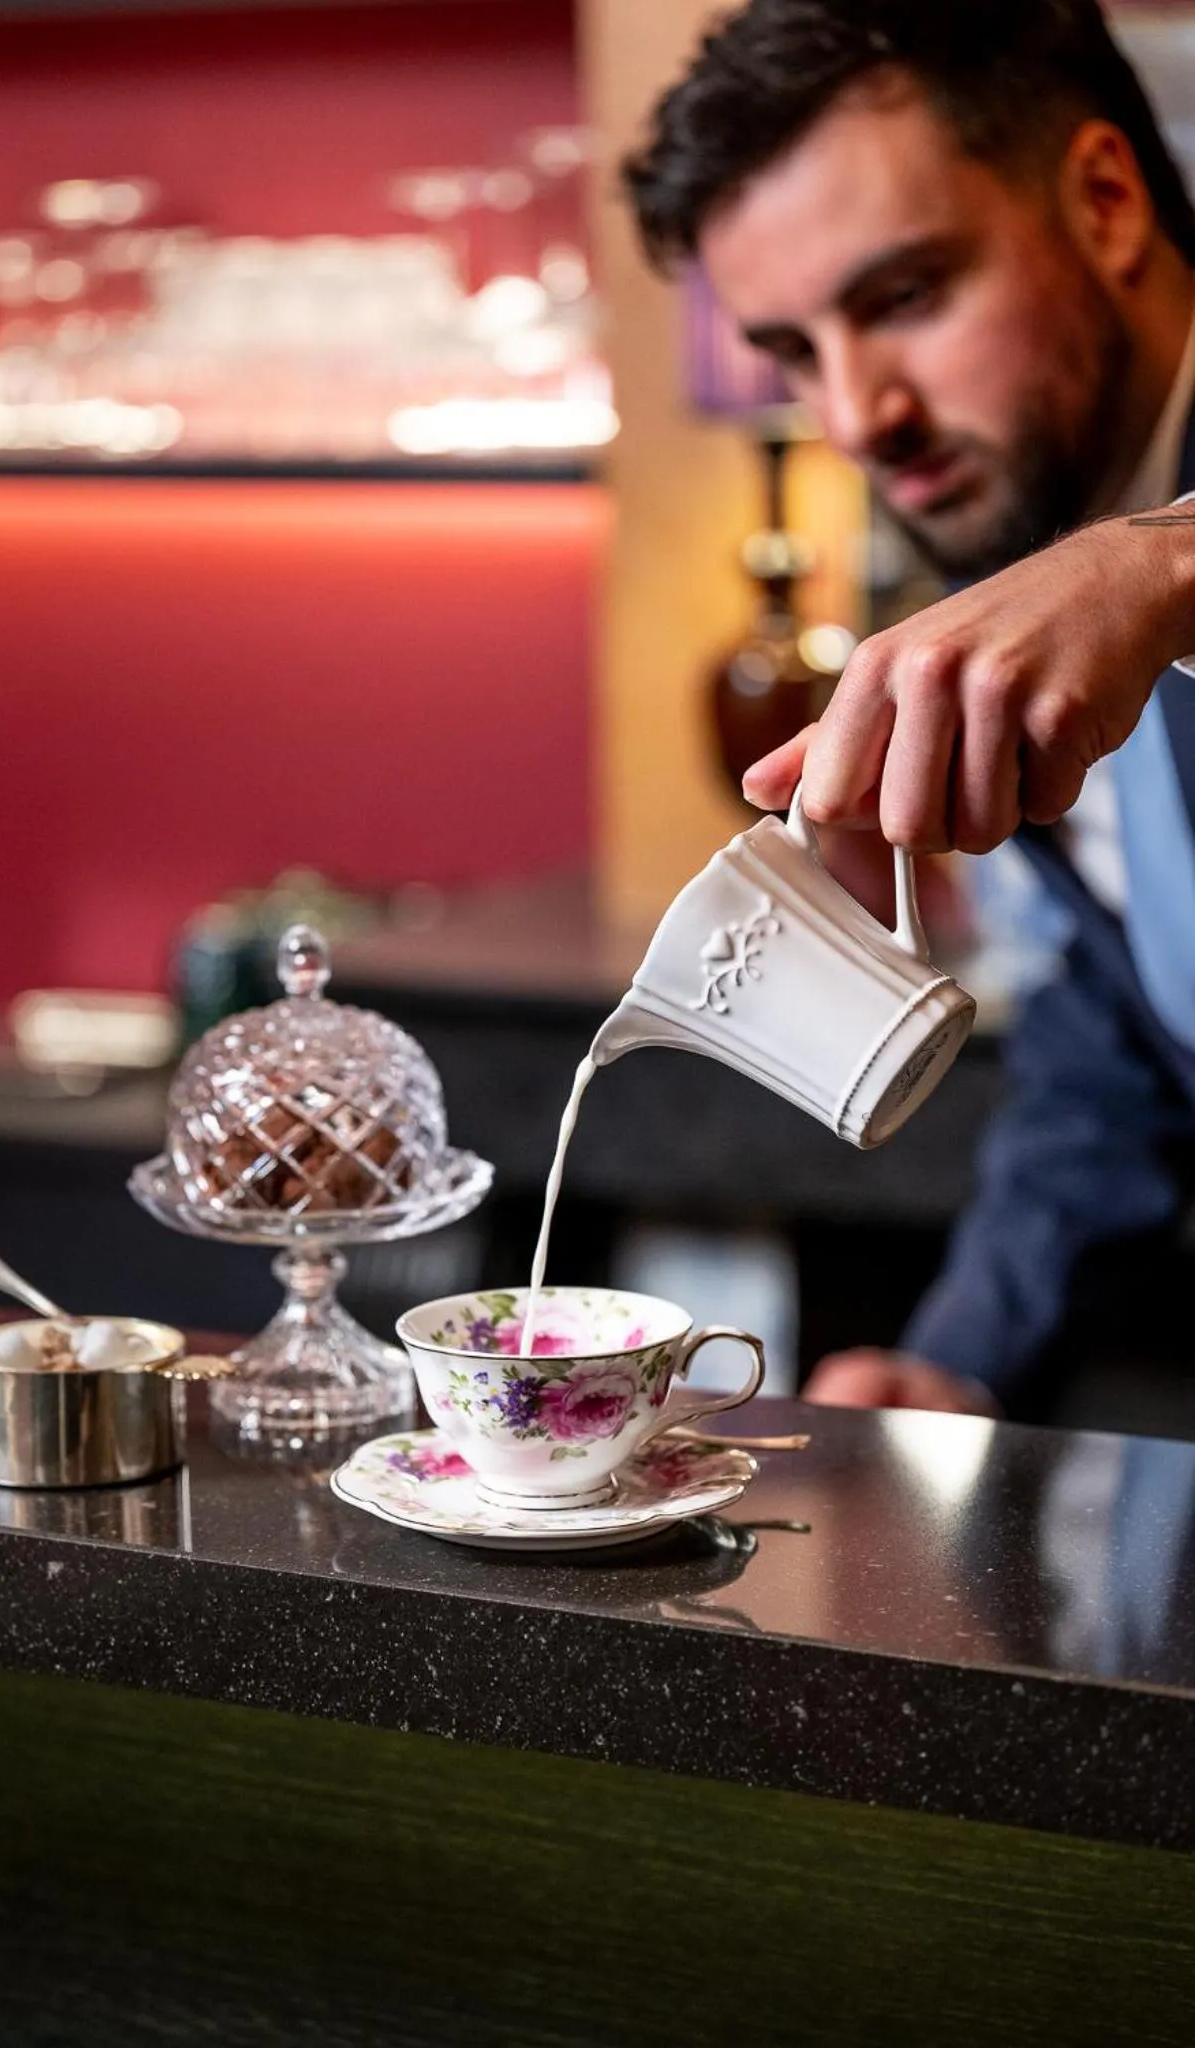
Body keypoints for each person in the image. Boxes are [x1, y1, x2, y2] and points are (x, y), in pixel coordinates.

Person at [624, 0, 1195, 1416]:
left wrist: (1166, 568)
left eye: (904, 298)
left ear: (1107, 201)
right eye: (794, 350)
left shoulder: (1121, 572)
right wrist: (955, 1364)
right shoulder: (1025, 556)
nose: (855, 416)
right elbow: (1126, 1027)